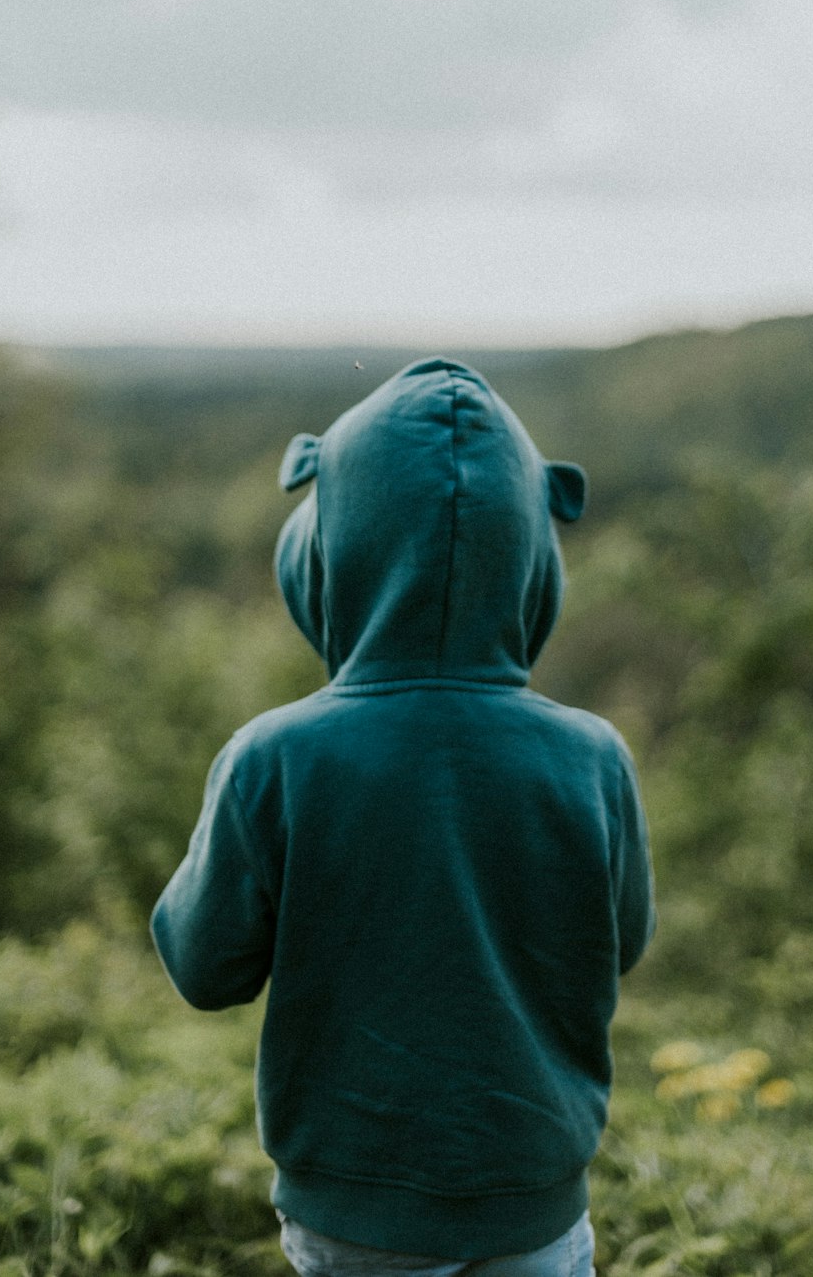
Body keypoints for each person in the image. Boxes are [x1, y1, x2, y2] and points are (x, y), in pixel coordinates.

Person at [151, 357, 655, 1277]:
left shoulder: (276, 755)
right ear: (534, 559)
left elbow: (202, 963)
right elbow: (619, 942)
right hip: (537, 1211)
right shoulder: (593, 756)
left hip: (354, 1215)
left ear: (332, 556)